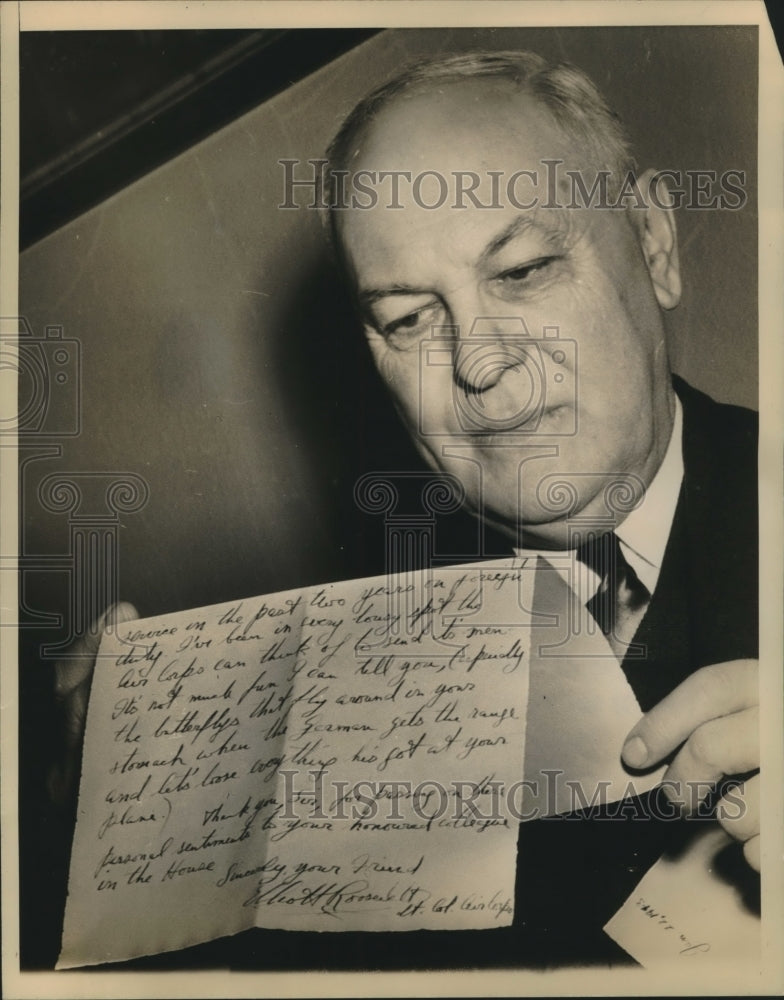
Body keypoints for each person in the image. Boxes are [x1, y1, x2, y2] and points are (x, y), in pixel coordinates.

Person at [50, 50, 759, 969]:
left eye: (523, 271)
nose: (478, 361)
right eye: (410, 319)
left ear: (654, 242)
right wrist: (97, 838)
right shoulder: (330, 690)